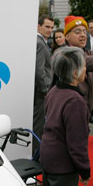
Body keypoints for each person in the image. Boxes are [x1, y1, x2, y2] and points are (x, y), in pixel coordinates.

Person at [40, 46, 90, 186]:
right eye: (84, 66)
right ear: (75, 72)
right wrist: (85, 170)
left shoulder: (54, 91)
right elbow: (76, 143)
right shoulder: (74, 101)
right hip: (63, 164)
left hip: (49, 157)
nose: (86, 69)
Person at [63, 15, 93, 125]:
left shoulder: (89, 53)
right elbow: (79, 60)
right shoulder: (62, 53)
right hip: (69, 110)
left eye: (84, 31)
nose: (83, 35)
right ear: (67, 36)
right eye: (78, 32)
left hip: (86, 110)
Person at [33, 15, 54, 155]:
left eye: (52, 27)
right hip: (41, 92)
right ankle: (36, 154)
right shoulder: (39, 43)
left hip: (39, 91)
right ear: (38, 26)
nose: (50, 30)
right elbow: (39, 70)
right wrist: (46, 89)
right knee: (38, 124)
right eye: (47, 27)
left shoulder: (41, 42)